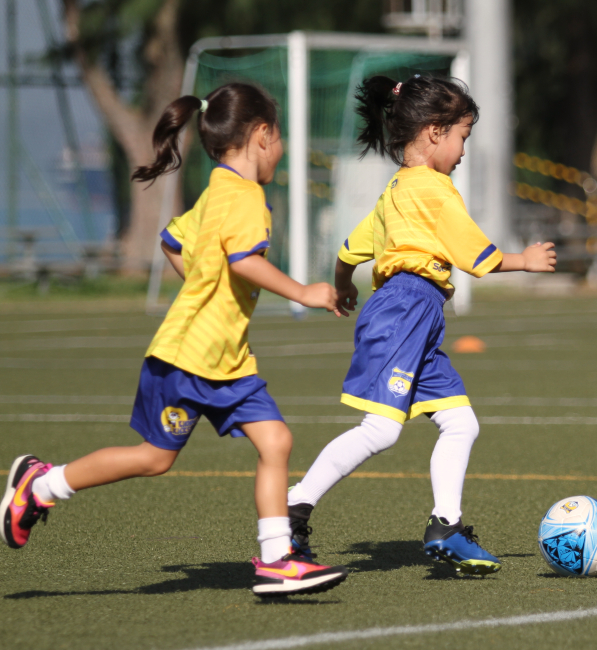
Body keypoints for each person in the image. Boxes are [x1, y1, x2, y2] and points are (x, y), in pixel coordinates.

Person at [1, 82, 349, 597]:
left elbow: (171, 240)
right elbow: (243, 260)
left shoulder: (216, 189)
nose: (280, 151)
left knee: (273, 440)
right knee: (153, 458)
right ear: (262, 135)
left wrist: (202, 286)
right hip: (189, 358)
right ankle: (42, 484)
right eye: (279, 140)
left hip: (226, 360)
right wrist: (305, 292)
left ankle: (278, 560)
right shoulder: (247, 198)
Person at [285, 74, 556, 576]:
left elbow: (349, 250)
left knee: (460, 421)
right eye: (462, 137)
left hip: (416, 313)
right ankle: (293, 509)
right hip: (405, 310)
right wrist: (526, 259)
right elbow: (478, 257)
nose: (462, 150)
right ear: (435, 132)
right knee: (381, 430)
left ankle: (446, 526)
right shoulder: (434, 189)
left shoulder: (395, 192)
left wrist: (344, 284)